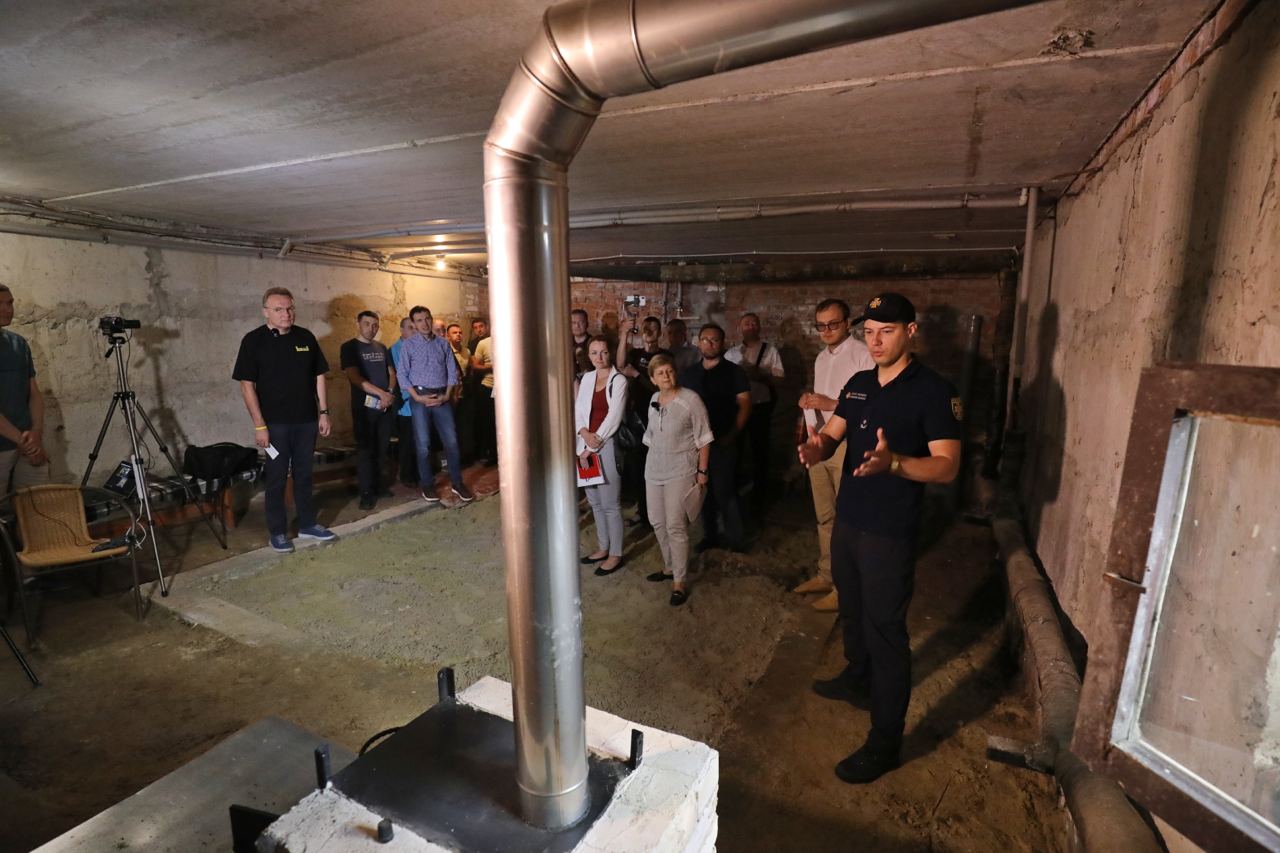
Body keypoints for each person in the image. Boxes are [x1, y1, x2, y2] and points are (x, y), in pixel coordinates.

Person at [798, 292, 962, 785]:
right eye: (869, 332)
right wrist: (817, 447)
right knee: (851, 607)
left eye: (886, 332)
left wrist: (896, 463)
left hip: (889, 531)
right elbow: (834, 433)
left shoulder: (933, 391)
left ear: (911, 331)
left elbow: (947, 466)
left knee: (885, 631)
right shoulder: (859, 384)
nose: (875, 341)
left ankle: (885, 742)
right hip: (850, 520)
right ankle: (857, 677)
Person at [233, 287, 338, 553]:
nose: (286, 314)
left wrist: (323, 412)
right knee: (277, 477)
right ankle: (277, 532)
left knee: (304, 474)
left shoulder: (305, 337)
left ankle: (307, 524)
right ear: (265, 312)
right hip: (274, 425)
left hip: (306, 421)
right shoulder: (253, 341)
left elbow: (319, 376)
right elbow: (246, 385)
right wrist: (260, 425)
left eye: (289, 308)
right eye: (278, 309)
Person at [796, 298, 876, 612]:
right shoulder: (820, 358)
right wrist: (809, 403)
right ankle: (826, 574)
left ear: (847, 323)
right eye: (821, 325)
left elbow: (871, 404)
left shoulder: (862, 354)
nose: (827, 330)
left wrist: (830, 404)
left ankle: (845, 588)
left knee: (848, 518)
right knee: (825, 516)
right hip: (820, 440)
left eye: (833, 324)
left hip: (847, 443)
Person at [641, 354, 712, 606]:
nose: (666, 376)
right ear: (652, 379)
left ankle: (679, 582)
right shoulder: (653, 399)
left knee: (675, 525)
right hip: (654, 469)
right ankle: (670, 566)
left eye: (669, 371)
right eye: (660, 373)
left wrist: (702, 472)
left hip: (681, 469)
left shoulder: (691, 400)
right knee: (657, 521)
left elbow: (704, 438)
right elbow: (651, 436)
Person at [679, 323, 750, 553]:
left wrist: (732, 435)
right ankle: (710, 535)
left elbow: (745, 405)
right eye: (705, 339)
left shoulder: (734, 372)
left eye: (715, 340)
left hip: (723, 440)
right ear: (698, 343)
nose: (709, 344)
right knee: (703, 489)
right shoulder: (689, 374)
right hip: (696, 444)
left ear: (722, 343)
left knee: (725, 490)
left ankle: (735, 539)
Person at [396, 305, 473, 503]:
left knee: (452, 442)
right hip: (420, 398)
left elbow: (451, 371)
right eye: (419, 320)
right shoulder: (408, 345)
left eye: (427, 318)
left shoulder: (442, 343)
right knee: (423, 445)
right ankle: (427, 485)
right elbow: (402, 374)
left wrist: (447, 395)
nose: (424, 323)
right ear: (414, 324)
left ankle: (457, 483)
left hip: (442, 398)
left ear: (431, 318)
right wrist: (417, 397)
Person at [575, 336, 628, 575]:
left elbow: (613, 418)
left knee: (610, 504)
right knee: (594, 501)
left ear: (610, 353)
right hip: (584, 444)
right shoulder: (587, 378)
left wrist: (592, 444)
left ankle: (616, 553)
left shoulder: (619, 380)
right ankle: (603, 547)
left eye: (604, 352)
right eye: (594, 352)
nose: (599, 357)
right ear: (588, 355)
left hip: (605, 445)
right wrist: (583, 432)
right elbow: (578, 409)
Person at [725, 312, 785, 512]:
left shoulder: (770, 350)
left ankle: (759, 495)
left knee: (760, 450)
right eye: (746, 323)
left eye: (754, 323)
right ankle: (734, 492)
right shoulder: (731, 354)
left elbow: (780, 379)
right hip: (736, 408)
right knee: (736, 449)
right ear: (740, 328)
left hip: (760, 407)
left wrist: (760, 375)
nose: (750, 326)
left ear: (759, 327)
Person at [616, 311, 671, 529]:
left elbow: (662, 389)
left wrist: (637, 375)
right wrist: (624, 334)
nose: (649, 331)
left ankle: (658, 514)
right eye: (646, 327)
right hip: (637, 418)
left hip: (658, 417)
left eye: (653, 328)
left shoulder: (665, 357)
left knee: (657, 467)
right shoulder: (636, 353)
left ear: (660, 332)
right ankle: (643, 513)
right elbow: (620, 364)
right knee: (639, 467)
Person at [340, 311, 396, 511]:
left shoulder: (381, 347)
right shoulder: (349, 347)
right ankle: (366, 492)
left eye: (375, 325)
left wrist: (389, 393)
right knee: (365, 451)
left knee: (381, 449)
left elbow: (391, 373)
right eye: (367, 324)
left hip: (385, 407)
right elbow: (354, 377)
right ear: (358, 324)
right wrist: (381, 394)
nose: (371, 328)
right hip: (364, 408)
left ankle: (378, 486)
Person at [0, 284, 50, 490]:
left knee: (38, 502)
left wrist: (36, 432)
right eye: (0, 304)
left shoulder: (18, 344)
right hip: (14, 444)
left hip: (26, 442)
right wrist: (24, 441)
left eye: (10, 303)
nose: (7, 309)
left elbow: (34, 394)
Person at [387, 317, 418, 488]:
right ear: (402, 330)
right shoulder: (395, 350)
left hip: (420, 403)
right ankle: (407, 476)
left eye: (415, 328)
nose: (414, 331)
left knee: (419, 441)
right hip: (406, 406)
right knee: (407, 443)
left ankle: (417, 473)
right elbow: (399, 377)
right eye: (410, 328)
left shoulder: (417, 347)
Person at [470, 320, 497, 466]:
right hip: (488, 387)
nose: (479, 330)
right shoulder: (482, 344)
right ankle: (489, 453)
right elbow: (475, 366)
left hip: (507, 389)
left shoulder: (511, 340)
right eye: (476, 327)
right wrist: (492, 366)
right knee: (488, 422)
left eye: (481, 326)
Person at [446, 323, 474, 463]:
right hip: (451, 395)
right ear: (448, 336)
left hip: (464, 394)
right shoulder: (446, 351)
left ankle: (464, 456)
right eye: (454, 332)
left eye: (460, 332)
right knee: (452, 427)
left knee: (464, 426)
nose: (458, 335)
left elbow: (468, 370)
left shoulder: (466, 351)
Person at [570, 308, 592, 378]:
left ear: (587, 324)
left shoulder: (593, 343)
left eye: (581, 322)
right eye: (574, 323)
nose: (577, 326)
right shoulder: (565, 344)